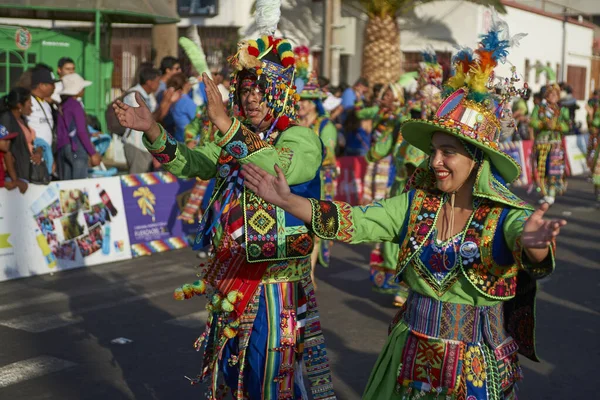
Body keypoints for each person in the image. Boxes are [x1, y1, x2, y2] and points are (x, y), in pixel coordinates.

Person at [241, 18, 566, 400]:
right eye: (434, 151)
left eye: (450, 153)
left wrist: (535, 243)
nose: (436, 162)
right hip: (412, 358)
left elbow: (524, 238)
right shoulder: (417, 204)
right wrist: (287, 200)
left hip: (476, 369)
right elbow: (356, 221)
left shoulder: (504, 216)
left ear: (478, 160)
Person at [113, 34, 336, 400]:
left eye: (260, 90)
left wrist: (225, 124)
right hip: (233, 276)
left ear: (279, 93)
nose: (250, 97)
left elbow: (278, 169)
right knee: (233, 369)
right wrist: (152, 129)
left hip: (274, 282)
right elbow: (193, 162)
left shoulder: (300, 139)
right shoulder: (233, 139)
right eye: (246, 89)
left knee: (269, 372)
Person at [360, 82, 410, 306]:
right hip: (397, 182)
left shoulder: (404, 120)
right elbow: (379, 150)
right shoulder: (392, 122)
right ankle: (399, 285)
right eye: (385, 93)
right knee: (393, 232)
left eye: (392, 94)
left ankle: (406, 288)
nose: (387, 96)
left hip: (414, 184)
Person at [296, 74, 338, 279]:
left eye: (305, 100)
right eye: (299, 100)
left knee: (317, 223)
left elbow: (328, 153)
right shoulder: (295, 123)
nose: (301, 104)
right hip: (301, 179)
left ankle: (310, 272)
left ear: (314, 104)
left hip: (323, 179)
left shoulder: (325, 125)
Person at [122, 66, 177, 174]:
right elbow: (145, 120)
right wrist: (164, 103)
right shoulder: (134, 95)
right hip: (136, 144)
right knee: (138, 179)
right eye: (157, 81)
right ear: (149, 82)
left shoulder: (150, 97)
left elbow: (157, 118)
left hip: (147, 145)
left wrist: (168, 102)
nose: (159, 84)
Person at [55, 73, 102, 180]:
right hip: (76, 148)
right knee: (78, 187)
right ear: (77, 90)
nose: (84, 90)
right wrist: (92, 153)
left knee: (66, 187)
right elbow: (81, 131)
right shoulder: (76, 105)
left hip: (63, 148)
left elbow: (67, 129)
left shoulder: (62, 105)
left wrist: (90, 134)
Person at [530, 83, 570, 204]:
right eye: (551, 94)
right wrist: (543, 125)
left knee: (554, 169)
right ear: (546, 96)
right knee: (541, 168)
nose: (553, 96)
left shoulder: (562, 110)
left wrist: (557, 126)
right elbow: (532, 121)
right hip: (542, 143)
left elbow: (567, 126)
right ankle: (544, 192)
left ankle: (551, 193)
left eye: (556, 94)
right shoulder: (539, 108)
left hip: (555, 144)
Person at [0, 87, 44, 193]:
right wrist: (15, 180)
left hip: (26, 171)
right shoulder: (7, 119)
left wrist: (38, 151)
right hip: (16, 174)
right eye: (29, 102)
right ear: (20, 105)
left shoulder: (22, 119)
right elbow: (7, 152)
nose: (32, 105)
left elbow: (32, 141)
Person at [28, 65, 59, 175]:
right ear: (41, 85)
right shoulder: (27, 102)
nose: (54, 87)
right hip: (34, 155)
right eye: (52, 84)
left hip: (46, 154)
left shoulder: (46, 104)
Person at [159, 72, 196, 143]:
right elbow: (197, 120)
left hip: (178, 139)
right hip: (189, 141)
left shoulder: (171, 100)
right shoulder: (186, 101)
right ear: (185, 85)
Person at [585, 93, 600, 203]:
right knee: (595, 168)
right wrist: (590, 115)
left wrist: (591, 116)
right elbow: (592, 127)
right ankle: (598, 192)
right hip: (596, 143)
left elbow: (595, 123)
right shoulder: (593, 109)